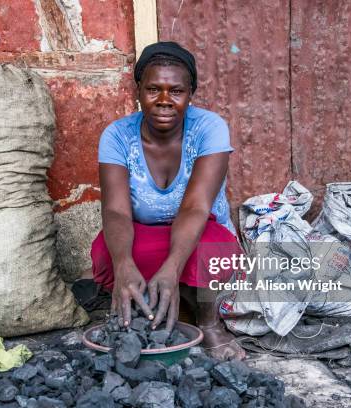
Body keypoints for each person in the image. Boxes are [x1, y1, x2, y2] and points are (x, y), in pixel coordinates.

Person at [90, 41, 246, 360]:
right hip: (145, 236)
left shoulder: (209, 128)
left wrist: (172, 269)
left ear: (191, 94)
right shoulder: (117, 136)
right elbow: (117, 211)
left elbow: (196, 207)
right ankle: (147, 302)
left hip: (199, 232)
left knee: (217, 251)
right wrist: (123, 264)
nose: (164, 101)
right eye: (153, 89)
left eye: (176, 91)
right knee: (106, 253)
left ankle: (208, 321)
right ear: (138, 91)